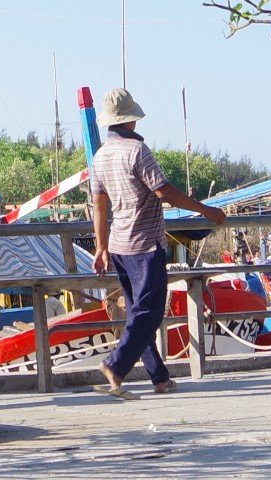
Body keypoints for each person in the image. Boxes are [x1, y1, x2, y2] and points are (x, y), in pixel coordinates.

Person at [87, 87, 231, 400]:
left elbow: (99, 207)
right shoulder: (137, 151)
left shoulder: (100, 156)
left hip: (118, 245)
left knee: (138, 312)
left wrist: (100, 246)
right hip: (145, 243)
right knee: (148, 313)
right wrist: (205, 210)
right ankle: (116, 364)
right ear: (131, 120)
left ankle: (159, 377)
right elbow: (163, 191)